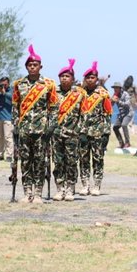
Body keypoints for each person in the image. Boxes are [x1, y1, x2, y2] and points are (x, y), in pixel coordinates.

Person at [12, 44, 59, 204]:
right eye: (30, 65)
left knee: (40, 161)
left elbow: (53, 108)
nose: (32, 67)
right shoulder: (19, 84)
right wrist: (15, 125)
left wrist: (50, 127)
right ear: (26, 67)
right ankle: (27, 192)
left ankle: (38, 193)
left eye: (35, 65)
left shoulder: (48, 84)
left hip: (41, 130)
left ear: (40, 66)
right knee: (25, 161)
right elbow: (15, 107)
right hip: (24, 129)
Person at [51, 59, 85, 201]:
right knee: (58, 162)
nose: (64, 78)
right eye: (62, 76)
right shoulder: (53, 92)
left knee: (71, 162)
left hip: (72, 134)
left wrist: (79, 131)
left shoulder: (79, 94)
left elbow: (84, 115)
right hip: (56, 134)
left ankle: (70, 189)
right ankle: (60, 189)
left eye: (67, 76)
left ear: (72, 78)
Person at [78, 61, 112, 196]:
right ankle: (85, 185)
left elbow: (108, 114)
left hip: (98, 132)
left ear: (97, 79)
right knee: (83, 159)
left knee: (98, 159)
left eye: (93, 77)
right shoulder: (80, 93)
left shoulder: (103, 94)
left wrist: (106, 133)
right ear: (85, 79)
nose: (90, 80)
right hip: (83, 132)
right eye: (88, 78)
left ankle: (97, 185)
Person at [111, 81, 133, 148]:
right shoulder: (114, 95)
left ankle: (127, 143)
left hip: (128, 113)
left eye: (116, 88)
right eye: (114, 88)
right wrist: (111, 101)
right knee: (115, 128)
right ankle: (121, 143)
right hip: (121, 114)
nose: (115, 89)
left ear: (120, 88)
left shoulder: (125, 94)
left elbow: (127, 105)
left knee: (124, 125)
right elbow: (111, 105)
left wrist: (118, 101)